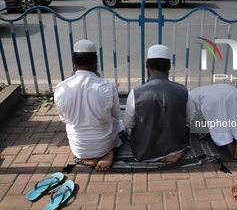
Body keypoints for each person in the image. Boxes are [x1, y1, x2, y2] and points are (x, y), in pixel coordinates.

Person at [54, 39, 123, 172]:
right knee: (122, 124)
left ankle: (88, 156)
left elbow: (65, 119)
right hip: (105, 143)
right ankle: (110, 151)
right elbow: (116, 115)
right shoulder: (107, 86)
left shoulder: (61, 88)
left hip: (79, 147)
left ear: (73, 60)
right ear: (96, 59)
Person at [123, 44, 195, 163]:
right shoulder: (184, 91)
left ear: (147, 65)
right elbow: (189, 119)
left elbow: (128, 125)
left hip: (144, 153)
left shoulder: (135, 93)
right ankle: (180, 151)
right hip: (175, 146)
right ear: (169, 66)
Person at [189, 84, 237, 159]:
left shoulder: (183, 102)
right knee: (235, 115)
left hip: (212, 99)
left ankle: (229, 143)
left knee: (217, 121)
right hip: (232, 91)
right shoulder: (192, 92)